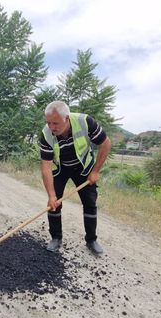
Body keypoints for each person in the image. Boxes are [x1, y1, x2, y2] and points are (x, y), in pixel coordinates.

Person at [39, 100, 112, 255]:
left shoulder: (85, 122)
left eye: (56, 123)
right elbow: (46, 167)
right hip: (62, 167)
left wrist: (95, 171)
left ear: (67, 118)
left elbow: (105, 144)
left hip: (84, 167)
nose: (51, 127)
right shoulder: (46, 134)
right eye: (49, 122)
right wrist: (51, 195)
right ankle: (56, 238)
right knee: (53, 203)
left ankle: (91, 240)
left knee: (90, 202)